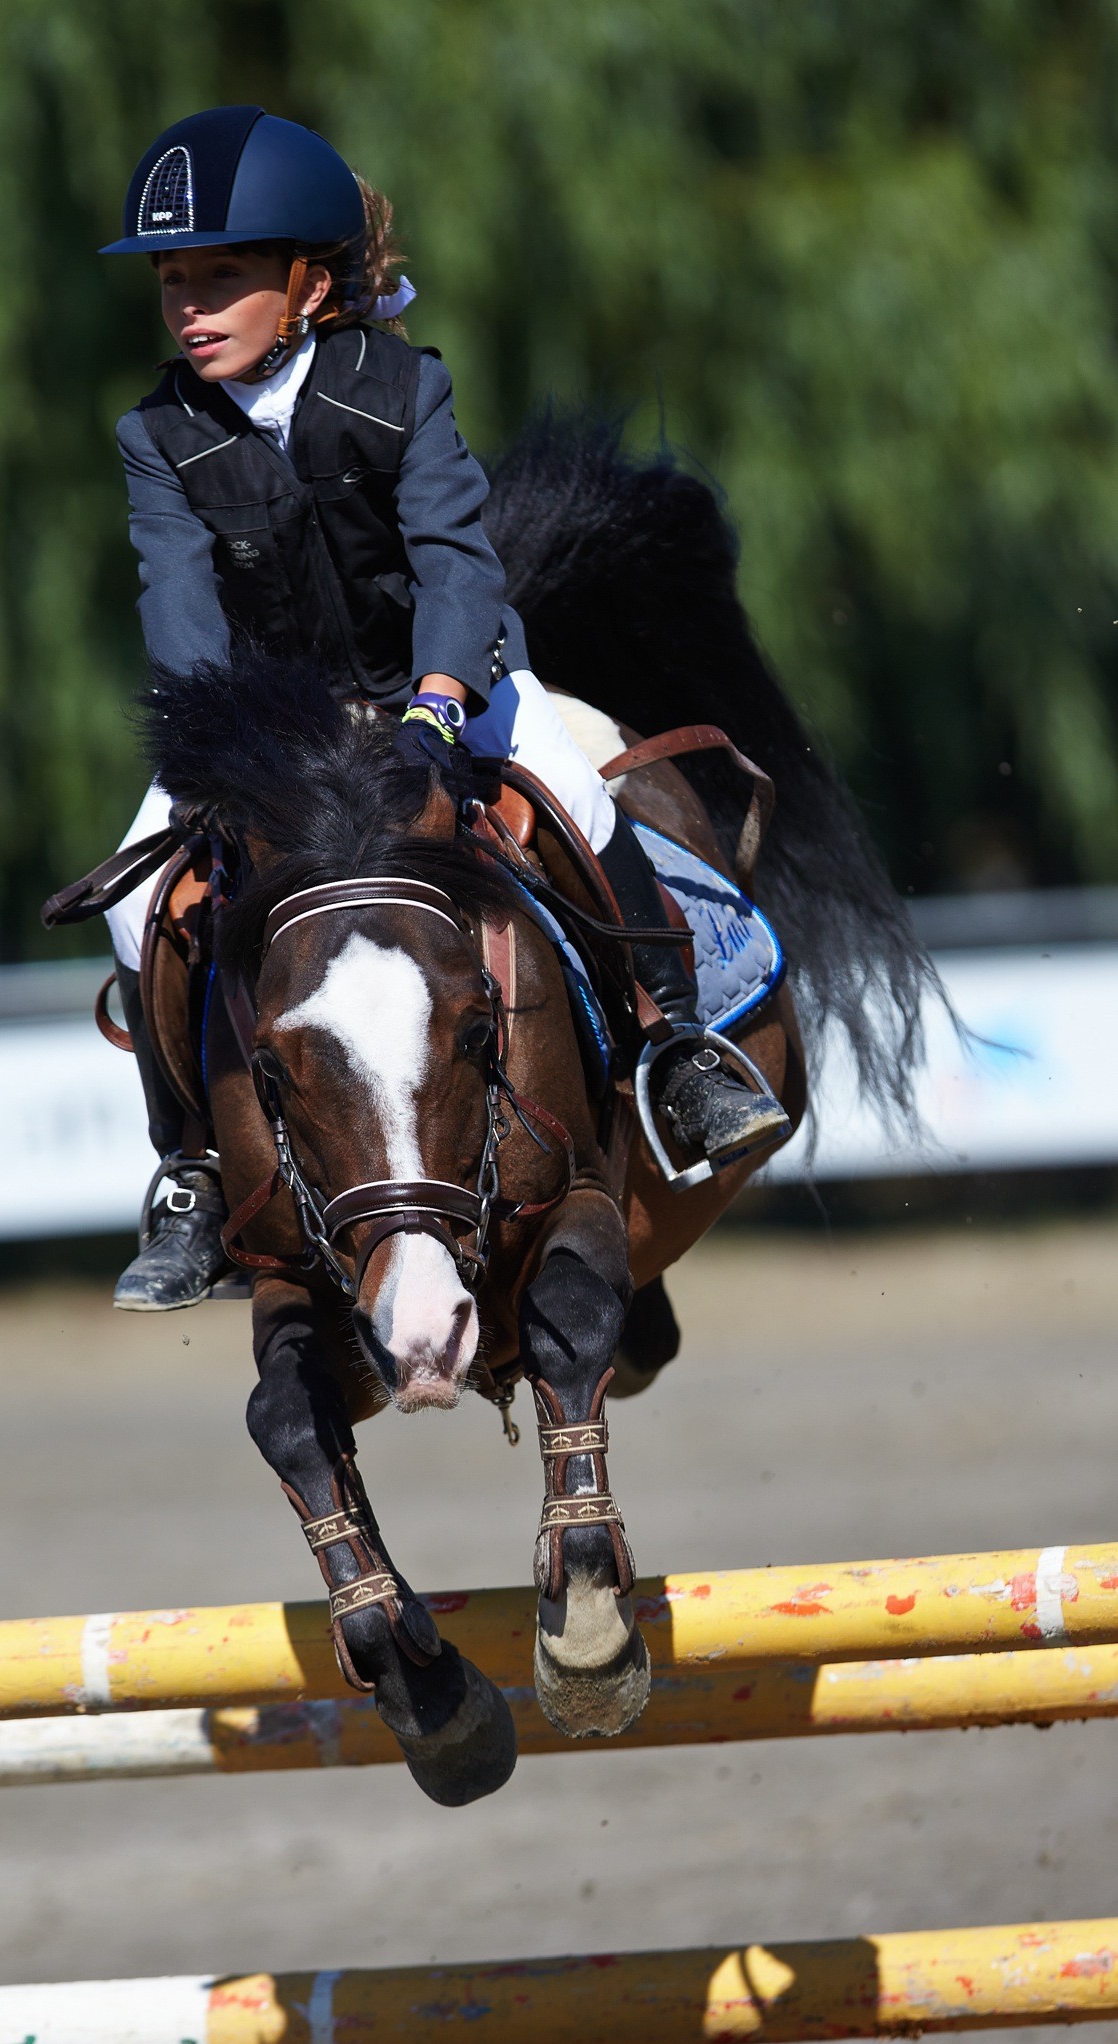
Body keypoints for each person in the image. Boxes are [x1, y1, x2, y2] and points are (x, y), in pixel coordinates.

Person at [100, 105, 786, 1311]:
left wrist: (433, 701)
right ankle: (191, 1169)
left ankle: (676, 1043)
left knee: (578, 794)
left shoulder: (402, 388)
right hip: (273, 730)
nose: (190, 306)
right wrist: (222, 742)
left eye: (222, 276)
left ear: (309, 284)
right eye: (173, 280)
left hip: (443, 684)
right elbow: (178, 599)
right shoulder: (157, 434)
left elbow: (457, 567)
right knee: (135, 894)